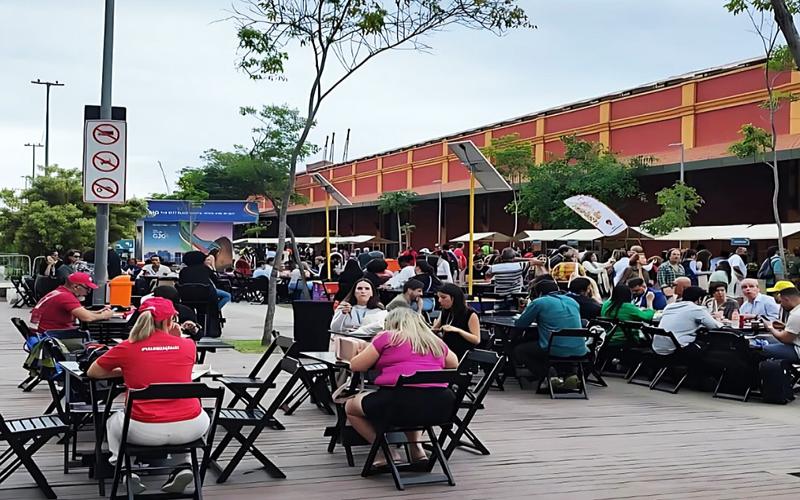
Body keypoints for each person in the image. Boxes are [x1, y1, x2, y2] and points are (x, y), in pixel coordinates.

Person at [87, 297, 207, 495]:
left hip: (143, 428)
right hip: (191, 426)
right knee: (186, 415)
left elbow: (94, 372)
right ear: (170, 321)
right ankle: (183, 466)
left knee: (113, 422)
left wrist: (126, 370)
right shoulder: (188, 347)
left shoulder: (127, 347)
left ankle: (125, 470)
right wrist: (179, 337)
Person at [344, 307, 458, 466]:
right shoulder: (434, 341)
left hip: (399, 406)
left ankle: (386, 451)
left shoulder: (387, 337)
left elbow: (356, 365)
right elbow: (454, 363)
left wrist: (364, 352)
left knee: (350, 406)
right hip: (440, 407)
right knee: (415, 395)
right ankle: (417, 449)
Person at [513, 277, 587, 389]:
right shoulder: (572, 301)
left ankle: (548, 375)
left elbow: (520, 324)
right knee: (554, 343)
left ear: (540, 293)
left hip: (554, 348)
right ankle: (568, 375)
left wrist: (522, 311)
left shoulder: (539, 302)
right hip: (580, 349)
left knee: (519, 350)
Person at [30, 272, 114, 333]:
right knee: (97, 346)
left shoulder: (59, 292)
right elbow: (87, 317)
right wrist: (105, 315)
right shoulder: (66, 297)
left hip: (46, 331)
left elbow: (81, 312)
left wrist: (97, 312)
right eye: (87, 288)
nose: (88, 292)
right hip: (55, 335)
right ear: (76, 287)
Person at [654, 286, 722, 356]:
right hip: (676, 349)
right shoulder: (697, 309)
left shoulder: (669, 307)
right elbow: (715, 326)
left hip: (657, 347)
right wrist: (719, 320)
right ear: (699, 299)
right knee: (708, 345)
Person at [432, 283, 481, 359]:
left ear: (454, 298)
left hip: (463, 354)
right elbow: (434, 329)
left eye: (443, 297)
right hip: (447, 351)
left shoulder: (470, 314)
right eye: (438, 297)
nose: (439, 300)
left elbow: (476, 339)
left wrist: (458, 330)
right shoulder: (445, 311)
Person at [760, 285, 800, 362]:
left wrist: (770, 327)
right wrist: (784, 326)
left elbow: (784, 339)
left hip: (798, 350)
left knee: (763, 349)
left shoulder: (796, 314)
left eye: (781, 302)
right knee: (769, 340)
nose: (780, 305)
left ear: (786, 299)